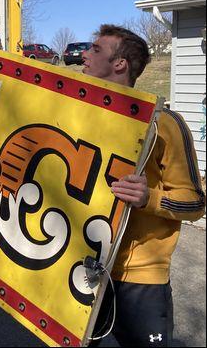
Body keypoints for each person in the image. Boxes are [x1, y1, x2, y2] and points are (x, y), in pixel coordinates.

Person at [82, 24, 205, 346]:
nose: (84, 55)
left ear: (119, 64)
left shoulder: (164, 123)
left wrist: (148, 197)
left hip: (140, 279)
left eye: (96, 49)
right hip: (83, 266)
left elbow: (195, 203)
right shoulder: (81, 116)